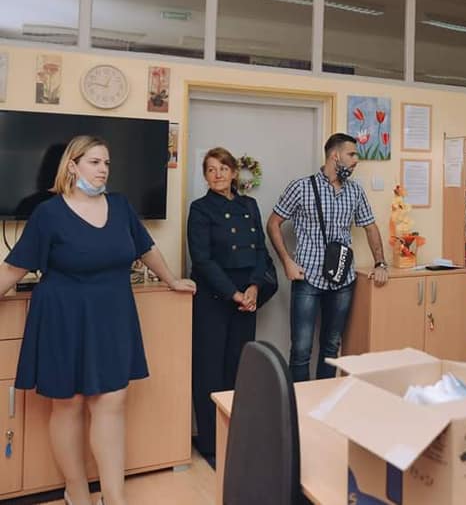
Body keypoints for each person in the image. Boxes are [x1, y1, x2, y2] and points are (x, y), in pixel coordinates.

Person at [0, 135, 196, 505]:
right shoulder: (48, 213)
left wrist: (171, 279)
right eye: (94, 162)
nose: (103, 169)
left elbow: (146, 248)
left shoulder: (120, 206)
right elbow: (14, 268)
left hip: (112, 315)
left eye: (106, 163)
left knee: (112, 402)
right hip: (63, 317)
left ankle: (114, 496)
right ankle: (76, 491)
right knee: (69, 404)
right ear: (72, 166)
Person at [266, 133, 388, 381]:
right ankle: (298, 402)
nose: (356, 160)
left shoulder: (355, 191)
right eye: (351, 154)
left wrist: (381, 262)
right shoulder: (301, 187)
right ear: (335, 155)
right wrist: (287, 261)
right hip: (307, 278)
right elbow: (273, 223)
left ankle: (325, 399)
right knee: (301, 350)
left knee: (332, 348)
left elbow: (370, 227)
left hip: (343, 280)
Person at [187, 146, 273, 465]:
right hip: (214, 297)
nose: (218, 174)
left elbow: (261, 250)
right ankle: (211, 443)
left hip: (247, 297)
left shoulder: (249, 205)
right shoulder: (200, 209)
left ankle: (237, 437)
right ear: (205, 176)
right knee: (209, 371)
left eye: (223, 168)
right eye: (211, 170)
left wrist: (254, 287)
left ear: (234, 172)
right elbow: (202, 260)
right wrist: (233, 293)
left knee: (239, 369)